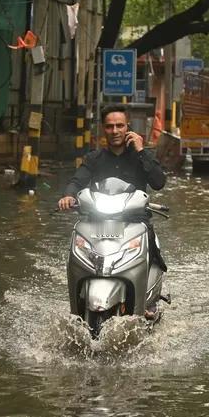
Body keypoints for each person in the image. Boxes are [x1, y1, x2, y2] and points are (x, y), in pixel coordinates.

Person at [58, 104, 167, 317]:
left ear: (128, 127)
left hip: (135, 220)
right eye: (109, 126)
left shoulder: (141, 155)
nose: (115, 131)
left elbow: (158, 182)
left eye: (119, 126)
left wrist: (141, 150)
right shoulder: (94, 158)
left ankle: (149, 298)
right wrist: (68, 195)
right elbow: (77, 180)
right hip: (98, 221)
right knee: (78, 247)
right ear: (103, 129)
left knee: (151, 243)